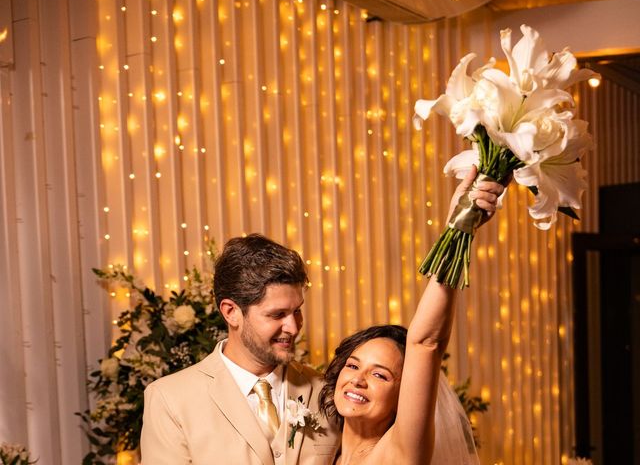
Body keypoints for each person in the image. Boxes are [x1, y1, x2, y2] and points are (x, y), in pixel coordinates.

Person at [318, 165, 502, 464]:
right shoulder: (324, 453)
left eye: (380, 374)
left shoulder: (399, 453)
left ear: (403, 397)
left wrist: (457, 229)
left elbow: (426, 343)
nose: (358, 380)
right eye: (352, 366)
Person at [140, 234, 341, 464]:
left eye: (297, 311)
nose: (294, 327)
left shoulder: (328, 391)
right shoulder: (170, 399)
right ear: (231, 312)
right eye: (277, 314)